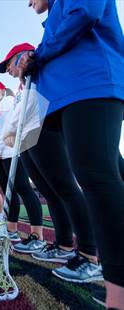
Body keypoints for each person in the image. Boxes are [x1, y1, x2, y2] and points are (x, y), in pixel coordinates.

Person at [18, 0, 124, 307]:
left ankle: (118, 291)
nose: (27, 1)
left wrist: (36, 56)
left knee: (96, 177)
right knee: (106, 173)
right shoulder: (52, 16)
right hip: (72, 93)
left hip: (91, 84)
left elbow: (86, 12)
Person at [0, 43, 98, 277]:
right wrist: (10, 133)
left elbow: (36, 104)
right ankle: (64, 244)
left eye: (9, 65)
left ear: (21, 57)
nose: (9, 71)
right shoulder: (23, 86)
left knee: (65, 187)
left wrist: (12, 131)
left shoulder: (39, 73)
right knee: (49, 192)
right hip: (26, 136)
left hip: (43, 128)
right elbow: (15, 117)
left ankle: (89, 253)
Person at [0, 81, 46, 253]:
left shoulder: (9, 102)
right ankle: (11, 230)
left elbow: (11, 127)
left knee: (24, 189)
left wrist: (0, 150)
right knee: (8, 195)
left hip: (11, 153)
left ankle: (37, 235)